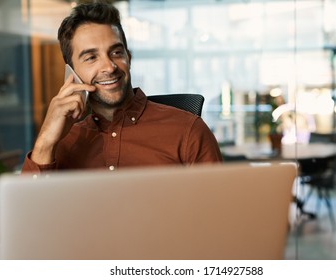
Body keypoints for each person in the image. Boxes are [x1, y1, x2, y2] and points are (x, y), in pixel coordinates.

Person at [22, 2, 222, 173]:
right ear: (72, 72)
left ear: (129, 58)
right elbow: (26, 214)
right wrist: (46, 141)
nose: (109, 67)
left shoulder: (188, 131)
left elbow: (221, 212)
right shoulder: (61, 144)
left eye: (116, 52)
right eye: (91, 57)